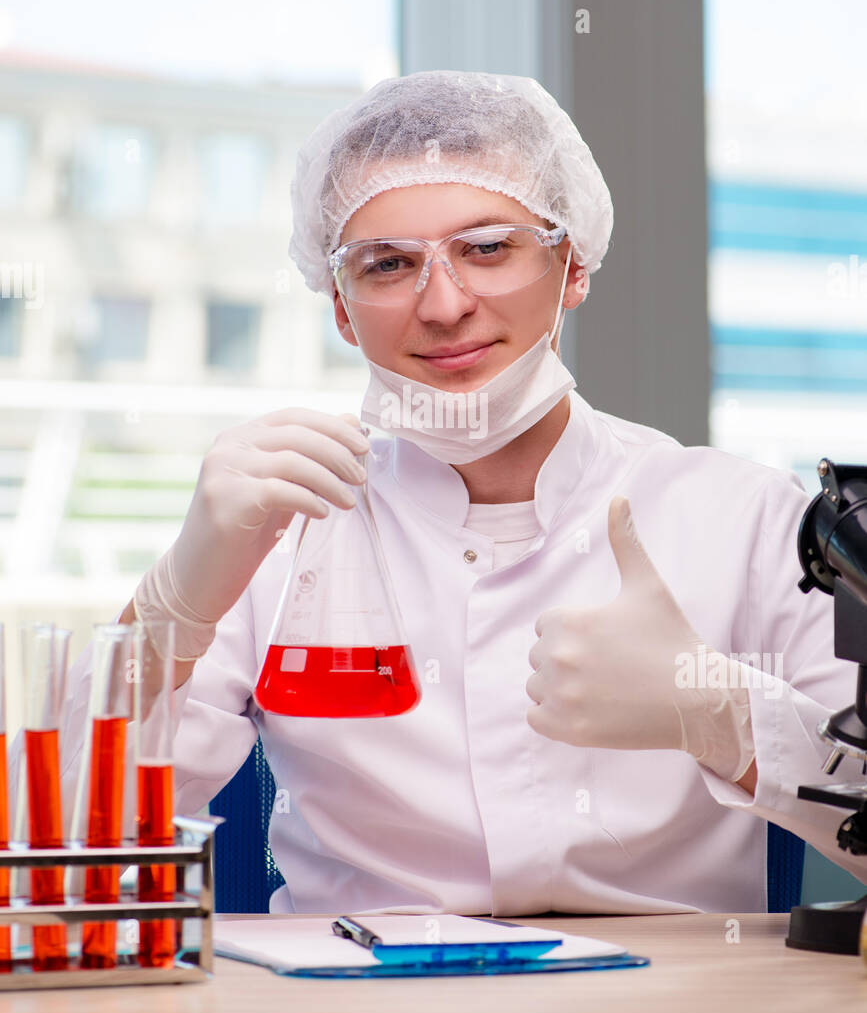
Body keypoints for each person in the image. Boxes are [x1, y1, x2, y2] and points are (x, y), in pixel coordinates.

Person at [17, 70, 867, 916]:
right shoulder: (280, 527)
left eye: (487, 248)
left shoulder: (745, 519)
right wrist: (174, 605)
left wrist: (725, 716)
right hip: (353, 995)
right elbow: (59, 870)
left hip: (677, 1001)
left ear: (572, 266)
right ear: (341, 308)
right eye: (387, 264)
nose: (444, 304)